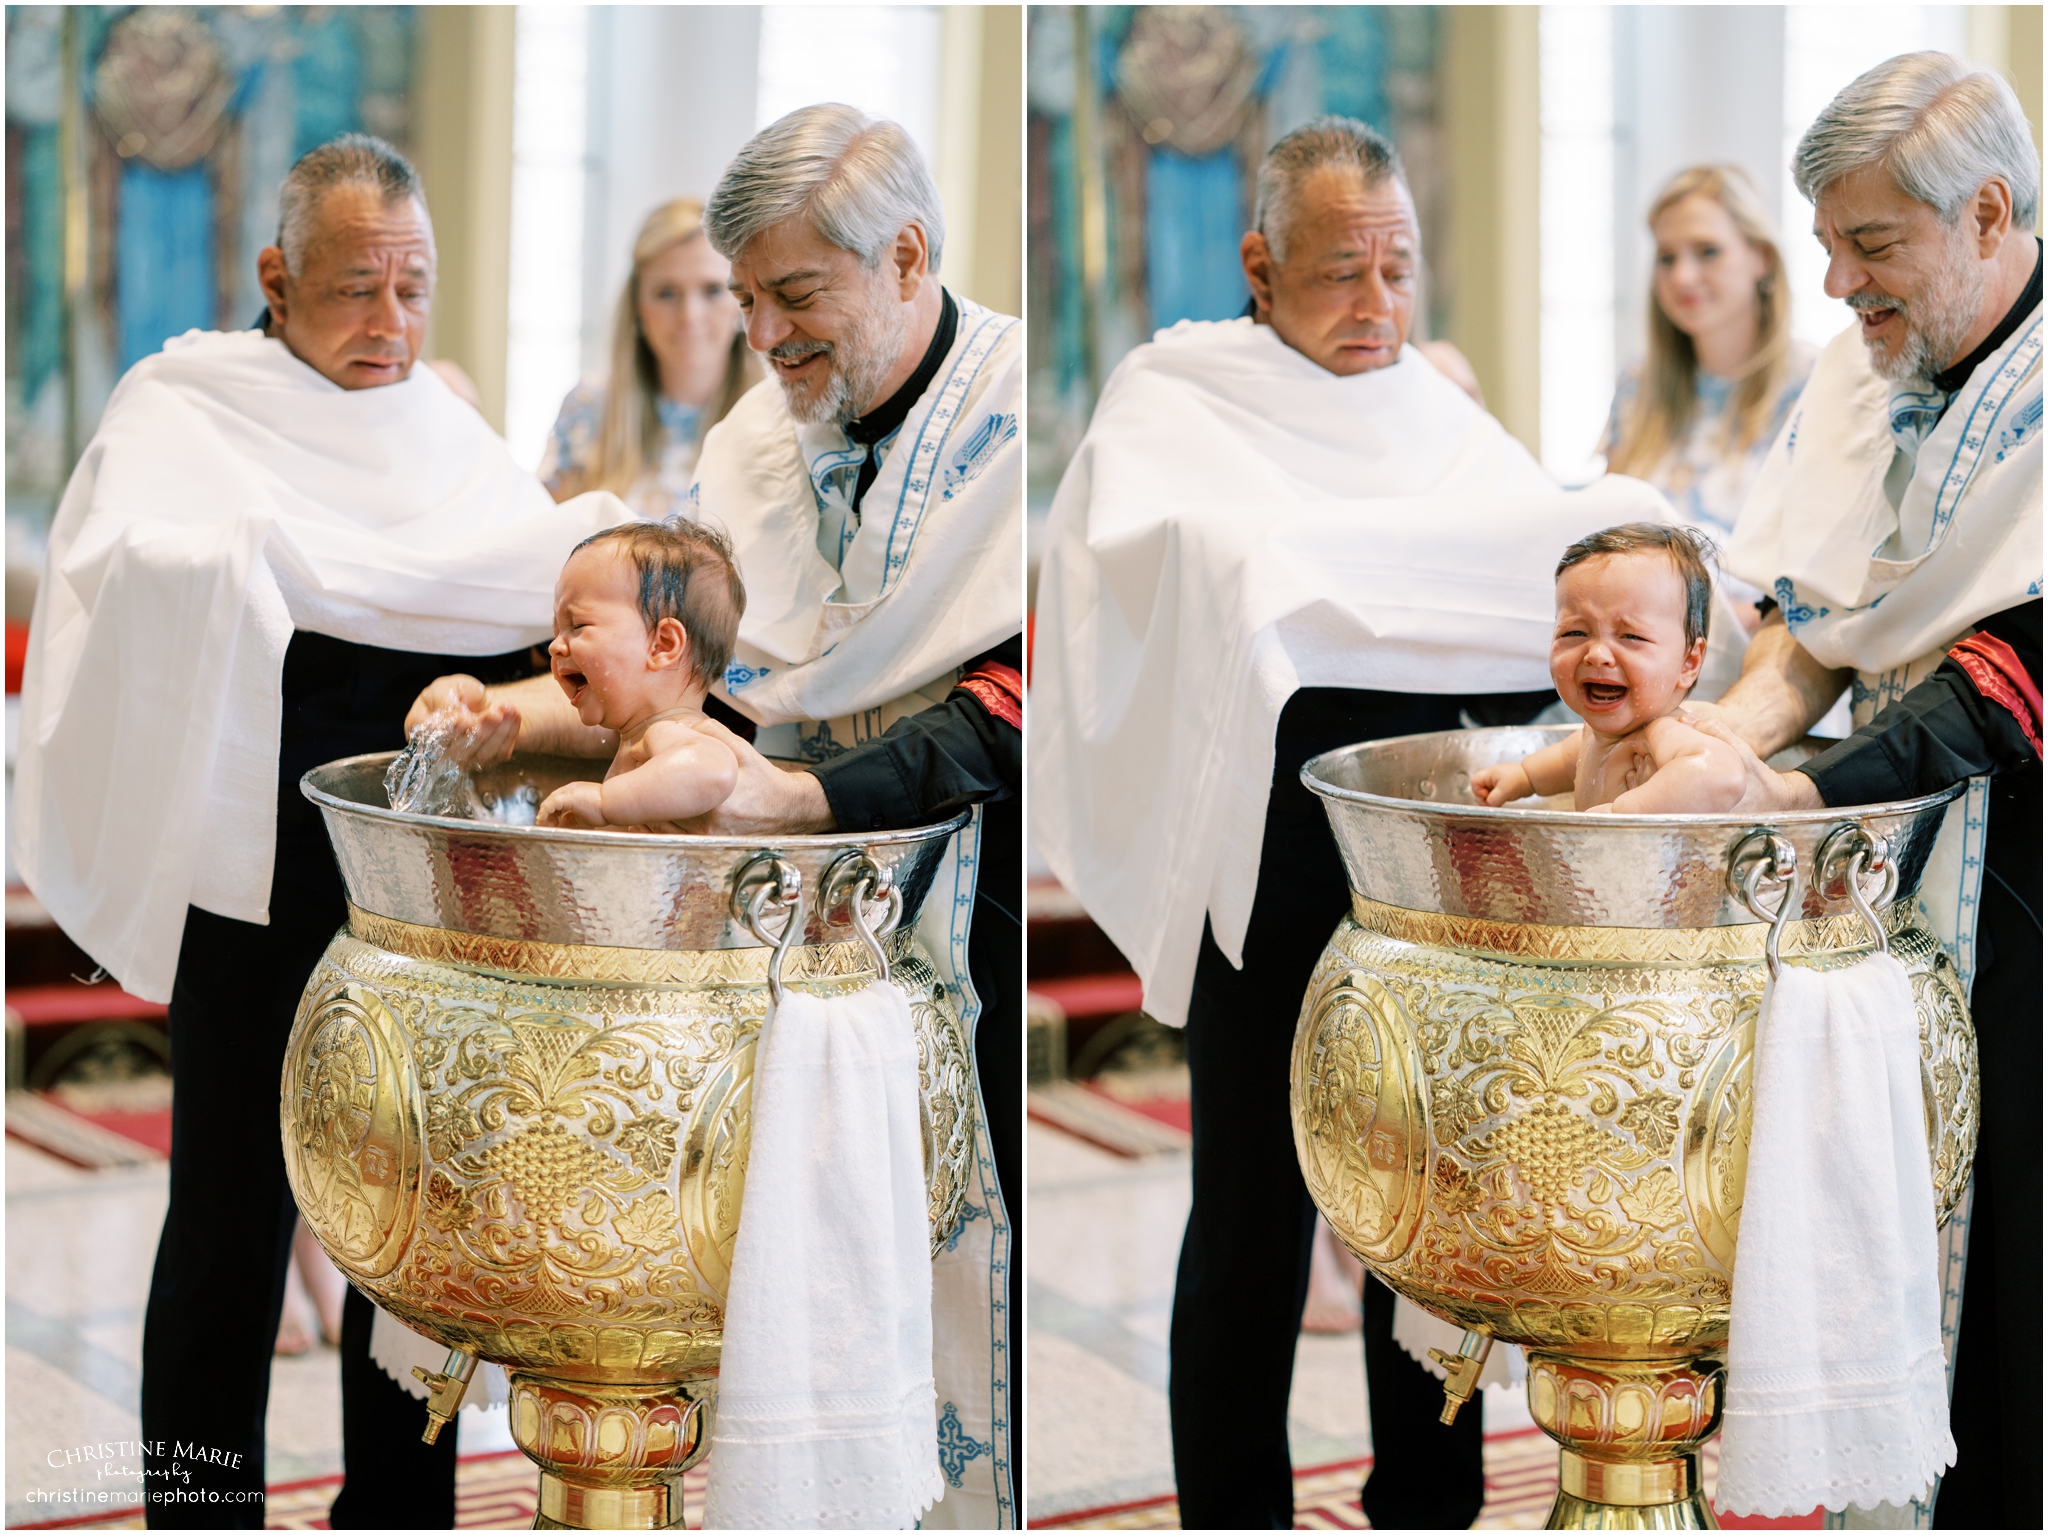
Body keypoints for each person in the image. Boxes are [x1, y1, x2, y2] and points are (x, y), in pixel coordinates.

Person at [1031, 116, 1673, 1531]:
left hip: (1443, 862)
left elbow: (1548, 553)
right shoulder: (1177, 392)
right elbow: (1161, 582)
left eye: (1398, 268)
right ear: (1260, 263)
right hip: (1268, 854)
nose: (1379, 307)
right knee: (1256, 1211)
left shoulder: (1433, 410)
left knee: (1433, 1219)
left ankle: (1428, 1504)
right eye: (1340, 272)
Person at [409, 104, 1023, 1530]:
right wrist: (516, 711)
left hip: (958, 875)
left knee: (954, 1265)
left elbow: (1017, 687)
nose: (761, 335)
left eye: (795, 295)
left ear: (909, 255)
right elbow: (706, 680)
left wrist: (807, 793)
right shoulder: (758, 439)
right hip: (781, 943)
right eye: (747, 298)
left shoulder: (1015, 420)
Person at [10, 133, 621, 1529]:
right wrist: (246, 559)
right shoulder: (185, 405)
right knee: (230, 1216)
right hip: (257, 868)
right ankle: (200, 1511)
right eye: (358, 288)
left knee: (417, 1229)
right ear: (277, 277)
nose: (392, 324)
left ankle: (398, 1510)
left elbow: (533, 602)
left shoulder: (442, 430)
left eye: (415, 289)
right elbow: (108, 580)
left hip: (424, 887)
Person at [1703, 53, 2039, 1529]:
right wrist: (1700, 764)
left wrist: (1798, 796)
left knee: (2012, 1273)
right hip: (1873, 875)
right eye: (1830, 245)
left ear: (1986, 214)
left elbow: (2003, 668)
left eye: (1873, 245)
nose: (1836, 284)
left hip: (2019, 879)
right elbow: (1817, 629)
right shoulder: (1868, 363)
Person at [1601, 166, 1818, 616]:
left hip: (1756, 650)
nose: (1681, 276)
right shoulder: (1639, 384)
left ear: (1760, 257)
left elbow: (1818, 585)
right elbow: (1603, 537)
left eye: (1707, 251)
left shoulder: (1814, 385)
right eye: (1666, 257)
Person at [1474, 524, 1745, 813]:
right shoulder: (1594, 734)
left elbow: (1722, 775)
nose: (1597, 655)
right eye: (1575, 633)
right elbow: (1567, 760)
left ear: (1688, 663)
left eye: (1631, 637)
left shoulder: (1660, 734)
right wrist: (1524, 776)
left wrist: (1624, 815)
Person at [539, 198, 760, 514]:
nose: (689, 316)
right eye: (666, 293)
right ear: (637, 308)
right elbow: (543, 544)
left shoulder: (776, 419)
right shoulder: (588, 409)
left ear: (741, 300)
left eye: (712, 290)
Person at [528, 521, 749, 831]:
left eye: (577, 626)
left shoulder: (670, 732)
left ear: (663, 645)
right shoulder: (640, 742)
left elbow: (713, 770)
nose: (555, 646)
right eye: (556, 631)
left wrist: (605, 803)